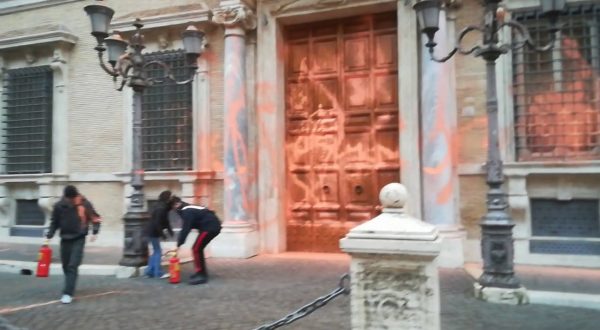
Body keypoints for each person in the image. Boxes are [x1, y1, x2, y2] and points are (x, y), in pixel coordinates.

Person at [46, 185, 101, 304]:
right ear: (65, 197)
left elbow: (95, 218)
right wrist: (50, 234)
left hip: (79, 238)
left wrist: (95, 231)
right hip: (65, 238)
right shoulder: (59, 206)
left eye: (73, 198)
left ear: (76, 196)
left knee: (72, 265)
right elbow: (54, 221)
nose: (71, 201)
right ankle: (70, 283)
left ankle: (67, 293)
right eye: (69, 198)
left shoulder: (85, 204)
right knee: (66, 266)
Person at [170, 196, 221, 285]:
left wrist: (179, 244)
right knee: (197, 249)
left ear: (177, 204)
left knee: (196, 249)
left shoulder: (187, 211)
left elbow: (186, 229)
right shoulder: (189, 208)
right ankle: (201, 272)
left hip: (209, 227)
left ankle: (201, 275)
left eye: (173, 207)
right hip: (210, 226)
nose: (174, 210)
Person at [143, 190, 174, 278]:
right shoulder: (161, 208)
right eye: (170, 197)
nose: (171, 198)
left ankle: (149, 271)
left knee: (155, 251)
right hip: (154, 231)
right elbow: (158, 222)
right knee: (158, 252)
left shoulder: (160, 205)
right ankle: (158, 272)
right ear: (167, 198)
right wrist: (162, 234)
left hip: (151, 230)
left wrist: (169, 230)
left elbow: (166, 219)